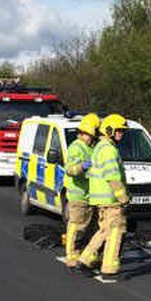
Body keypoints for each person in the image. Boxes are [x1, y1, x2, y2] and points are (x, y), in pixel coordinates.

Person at [78, 114, 130, 281]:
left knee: (104, 231)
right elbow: (112, 177)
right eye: (119, 131)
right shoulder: (108, 150)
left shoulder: (100, 147)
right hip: (111, 200)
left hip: (102, 200)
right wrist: (123, 198)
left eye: (122, 131)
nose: (122, 134)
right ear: (109, 131)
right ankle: (109, 269)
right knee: (116, 232)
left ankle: (84, 260)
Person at [62, 113, 100, 271]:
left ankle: (83, 254)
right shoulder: (76, 147)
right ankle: (71, 255)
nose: (95, 138)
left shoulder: (90, 147)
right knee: (76, 226)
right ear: (87, 132)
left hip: (89, 194)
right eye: (94, 134)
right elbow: (70, 169)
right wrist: (82, 167)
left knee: (87, 228)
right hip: (78, 194)